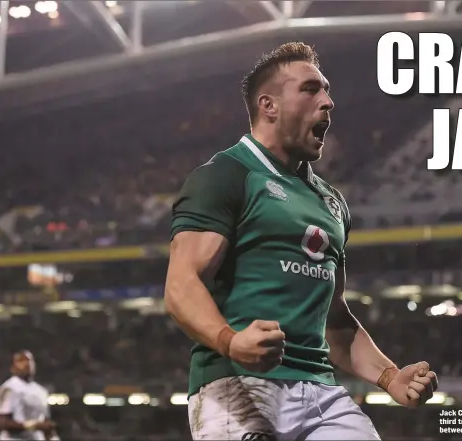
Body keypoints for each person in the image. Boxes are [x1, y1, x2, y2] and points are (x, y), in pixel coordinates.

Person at [166, 41, 438, 441]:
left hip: (323, 394)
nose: (327, 101)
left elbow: (335, 317)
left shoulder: (332, 203)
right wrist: (231, 341)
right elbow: (180, 284)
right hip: (240, 383)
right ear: (268, 105)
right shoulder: (226, 175)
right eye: (311, 89)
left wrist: (390, 376)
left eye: (327, 90)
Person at [0, 350, 58, 440]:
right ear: (13, 367)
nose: (27, 363)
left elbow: (45, 422)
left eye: (30, 360)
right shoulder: (7, 388)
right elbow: (2, 423)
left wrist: (53, 437)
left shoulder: (42, 391)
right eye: (21, 361)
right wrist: (33, 426)